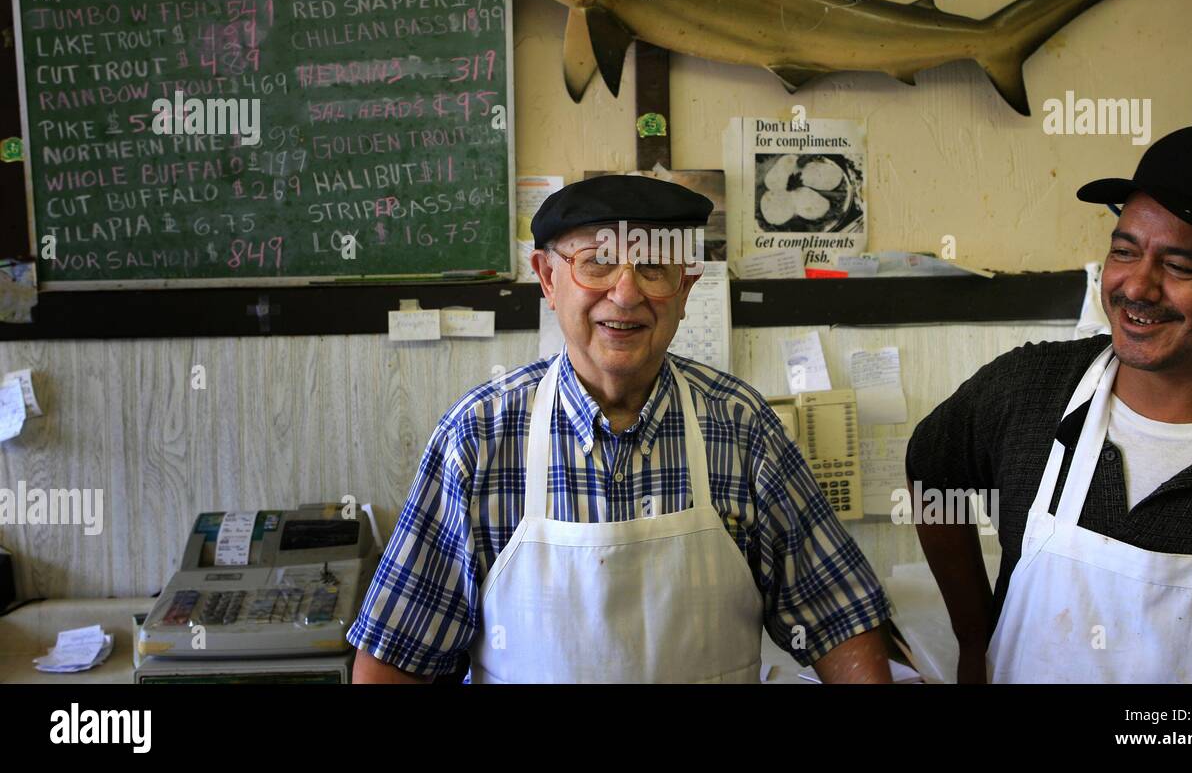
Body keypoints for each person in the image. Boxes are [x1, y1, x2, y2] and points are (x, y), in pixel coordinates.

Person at [349, 174, 893, 683]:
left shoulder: (743, 428)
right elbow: (397, 658)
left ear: (685, 287)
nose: (626, 293)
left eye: (654, 267)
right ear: (547, 277)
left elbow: (839, 619)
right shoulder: (478, 438)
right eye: (598, 263)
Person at [908, 125, 1192, 683]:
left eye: (1181, 266)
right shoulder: (1029, 389)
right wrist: (973, 638)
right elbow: (931, 470)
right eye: (1124, 250)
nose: (1136, 287)